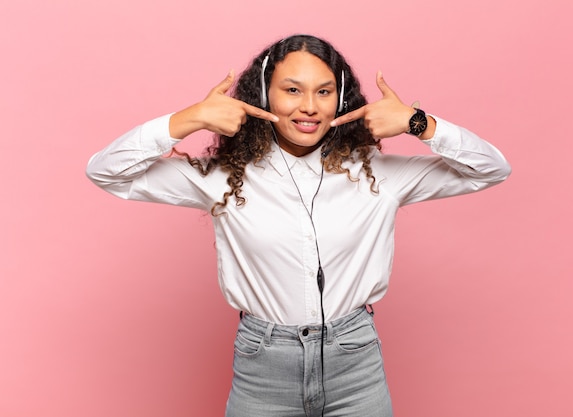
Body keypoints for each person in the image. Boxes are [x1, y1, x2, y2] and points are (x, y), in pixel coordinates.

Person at [86, 34, 511, 417]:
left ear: (340, 99)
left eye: (323, 92)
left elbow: (491, 169)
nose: (309, 106)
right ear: (265, 96)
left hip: (355, 363)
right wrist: (189, 118)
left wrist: (420, 123)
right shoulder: (223, 177)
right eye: (292, 90)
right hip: (263, 366)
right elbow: (106, 172)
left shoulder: (377, 174)